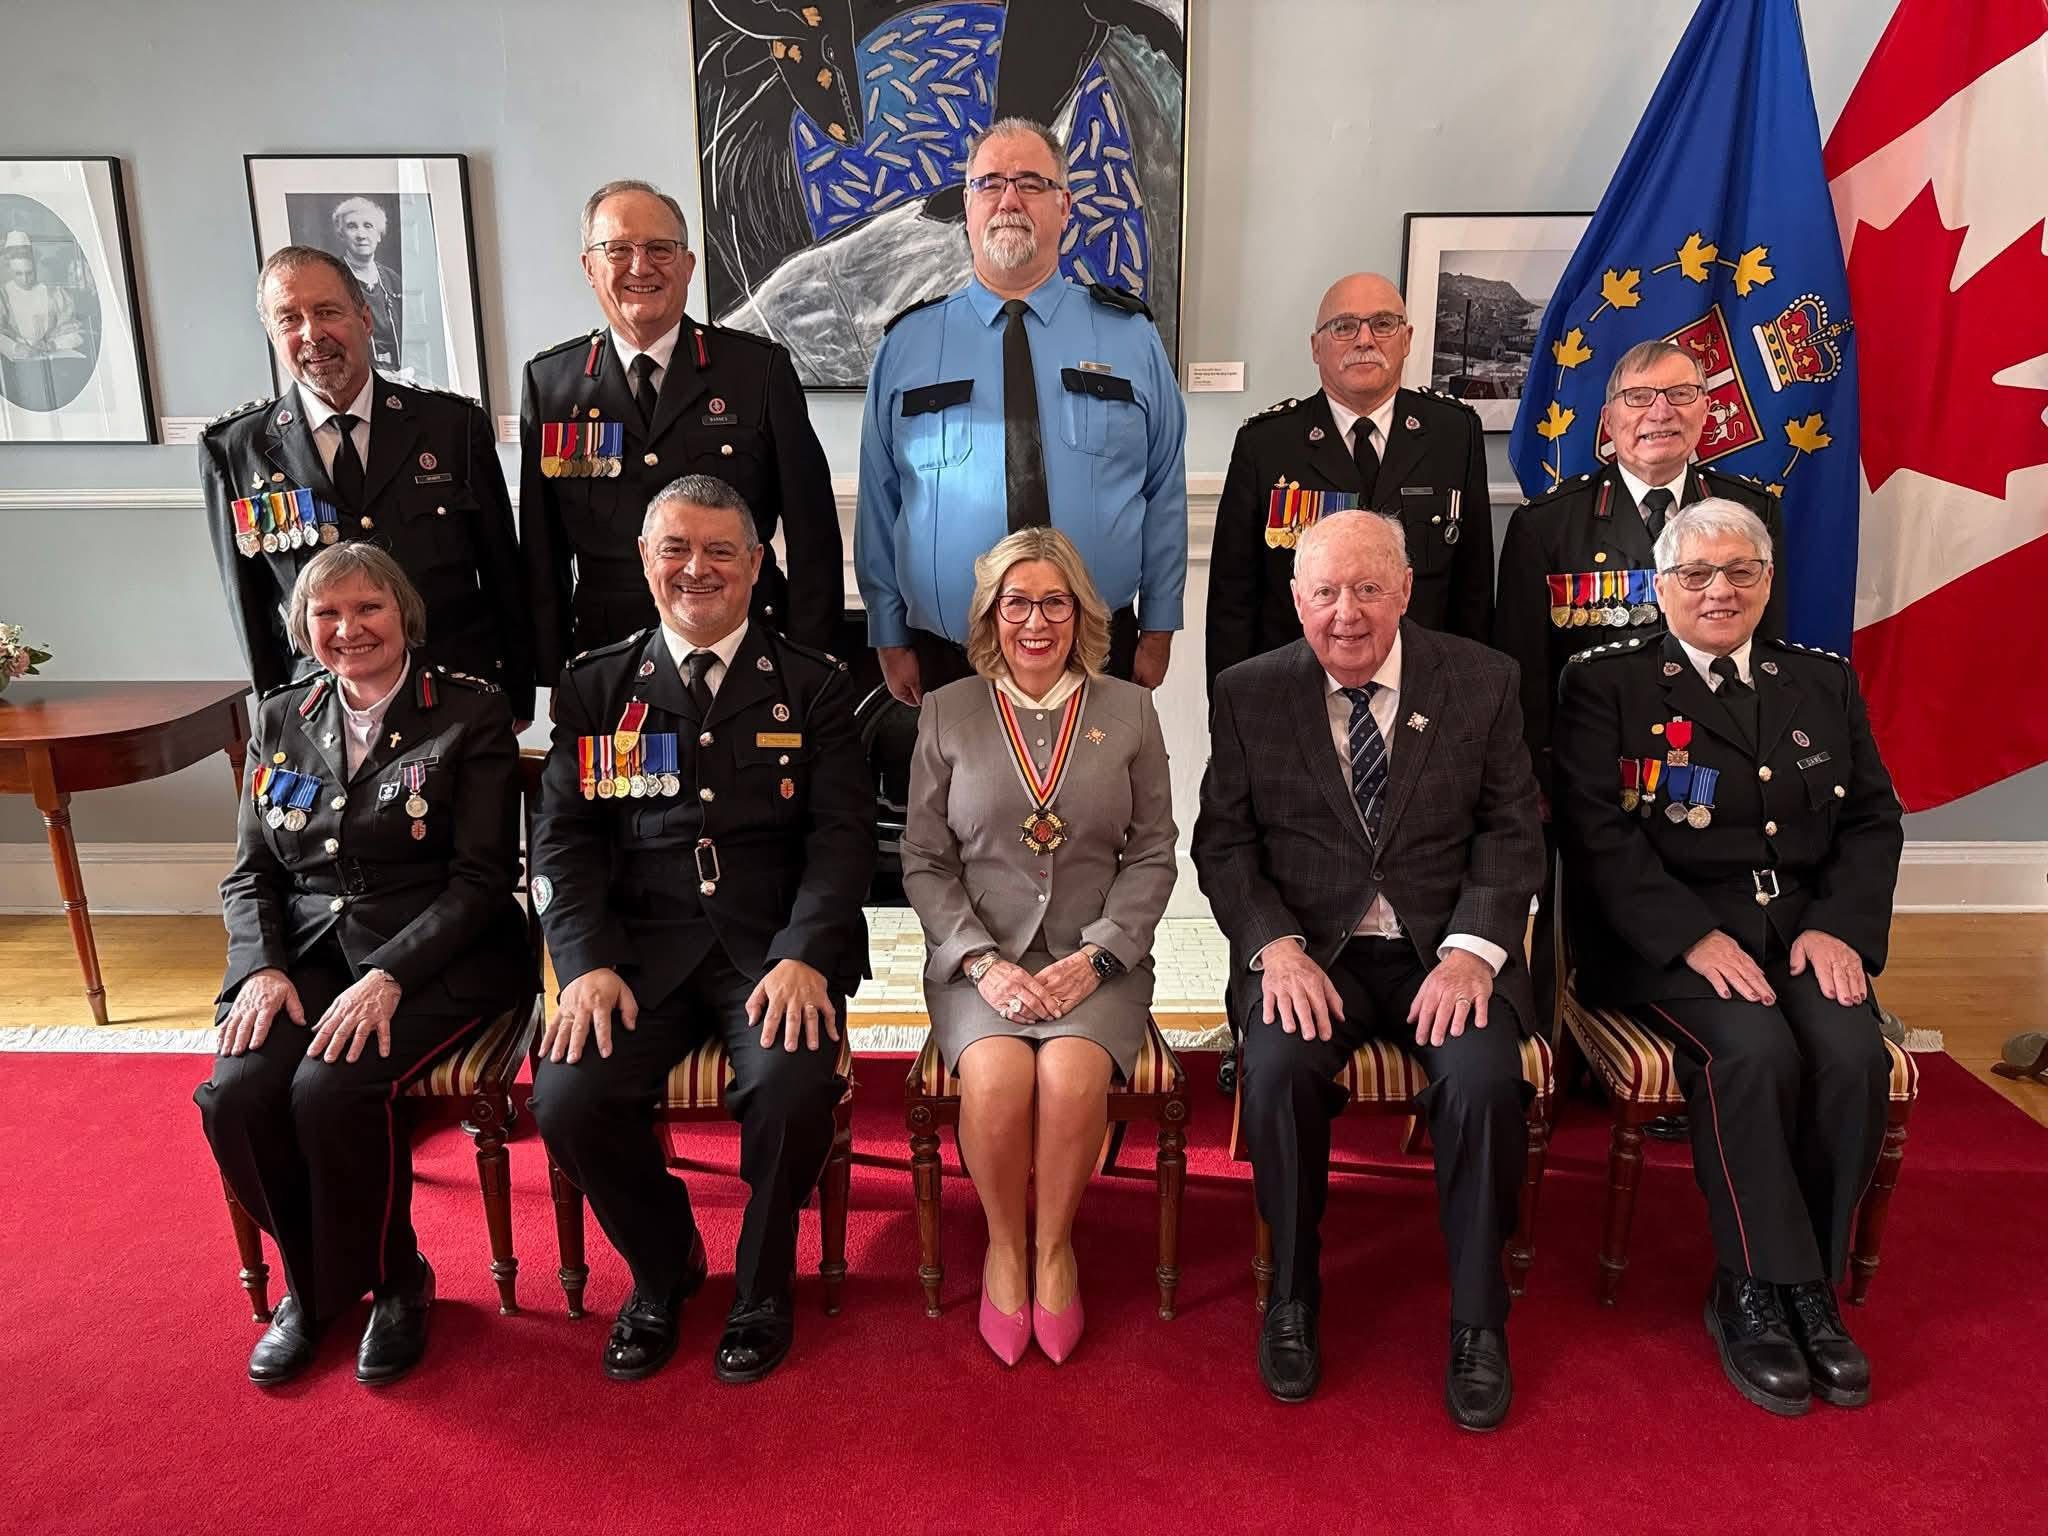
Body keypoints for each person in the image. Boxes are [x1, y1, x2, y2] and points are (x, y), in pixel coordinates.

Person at [1193, 509, 1542, 1429]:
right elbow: (1224, 846)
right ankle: (1293, 1297)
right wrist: (1274, 948)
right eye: (1324, 593)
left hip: (1444, 952)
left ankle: (1478, 1320)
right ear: (1296, 599)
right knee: (1274, 1069)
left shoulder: (1481, 680)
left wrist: (1473, 952)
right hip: (1314, 954)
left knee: (1484, 1086)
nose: (1345, 614)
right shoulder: (1248, 690)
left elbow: (1513, 833)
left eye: (1367, 589)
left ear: (1405, 590)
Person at [1553, 498, 1901, 1418]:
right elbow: (1596, 834)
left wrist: (1841, 929)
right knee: (1753, 1055)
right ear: (1660, 587)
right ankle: (1751, 1288)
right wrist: (1688, 936)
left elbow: (1870, 819)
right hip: (1667, 941)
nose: (1719, 591)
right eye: (1697, 575)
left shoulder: (1818, 682)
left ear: (1767, 582)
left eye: (1740, 572)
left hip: (1803, 931)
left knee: (1853, 1055)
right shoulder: (1608, 684)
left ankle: (1812, 1292)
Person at [528, 474, 872, 1385]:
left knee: (793, 1090)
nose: (697, 569)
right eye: (676, 548)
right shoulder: (597, 685)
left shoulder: (816, 685)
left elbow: (843, 845)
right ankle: (662, 1264)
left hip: (771, 951)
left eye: (721, 550)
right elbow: (561, 841)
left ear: (758, 564)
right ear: (645, 559)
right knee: (566, 1098)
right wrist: (586, 963)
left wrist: (806, 955)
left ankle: (762, 1287)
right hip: (637, 957)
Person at [195, 544, 529, 1387]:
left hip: (438, 956)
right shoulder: (278, 717)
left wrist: (387, 975)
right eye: (327, 613)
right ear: (304, 627)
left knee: (329, 1087)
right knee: (233, 1094)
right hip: (306, 954)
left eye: (368, 608)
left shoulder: (468, 712)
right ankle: (317, 1287)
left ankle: (394, 1282)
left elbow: (484, 880)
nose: (349, 629)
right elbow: (250, 872)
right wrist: (261, 969)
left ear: (403, 612)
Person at [900, 527, 1177, 1365]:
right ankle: (1003, 1246)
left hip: (1099, 963)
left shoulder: (1129, 707)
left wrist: (1099, 956)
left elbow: (1156, 849)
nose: (1035, 621)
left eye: (1055, 601)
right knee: (996, 1073)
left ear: (1081, 612)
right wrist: (981, 964)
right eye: (1015, 602)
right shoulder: (947, 711)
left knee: (1064, 1071)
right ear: (989, 615)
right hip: (976, 962)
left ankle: (1054, 1247)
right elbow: (923, 857)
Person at [1496, 337, 1787, 1126]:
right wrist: (1532, 780)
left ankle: (1706, 1061)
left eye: (1680, 396)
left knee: (1715, 906)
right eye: (1638, 398)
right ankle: (1559, 1056)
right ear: (1608, 420)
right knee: (1565, 917)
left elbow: (1767, 658)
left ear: (1707, 411)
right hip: (1588, 775)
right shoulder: (1549, 527)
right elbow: (1519, 672)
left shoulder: (1753, 512)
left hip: (1716, 771)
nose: (1658, 413)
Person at [856, 116, 1187, 705]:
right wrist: (887, 630)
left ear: (1064, 206)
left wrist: (1160, 621)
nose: (1009, 199)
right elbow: (881, 501)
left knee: (1098, 801)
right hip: (947, 650)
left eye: (1031, 183)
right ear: (967, 205)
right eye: (990, 184)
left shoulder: (1130, 336)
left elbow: (1164, 487)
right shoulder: (908, 345)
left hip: (1096, 642)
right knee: (959, 802)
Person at [520, 179, 840, 685]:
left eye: (659, 249)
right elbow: (542, 554)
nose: (640, 266)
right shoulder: (552, 385)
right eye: (618, 249)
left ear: (687, 265)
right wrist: (554, 674)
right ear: (589, 267)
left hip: (747, 648)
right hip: (611, 662)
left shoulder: (757, 371)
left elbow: (813, 532)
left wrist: (811, 662)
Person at [201, 246, 534, 723]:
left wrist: (516, 696)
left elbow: (502, 572)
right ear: (273, 335)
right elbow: (249, 603)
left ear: (365, 317)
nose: (312, 334)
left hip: (453, 695)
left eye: (327, 312)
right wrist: (277, 714)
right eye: (289, 320)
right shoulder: (236, 447)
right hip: (321, 708)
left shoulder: (451, 426)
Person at [1205, 271, 1494, 690]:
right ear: (1315, 346)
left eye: (1382, 324)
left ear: (1406, 338)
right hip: (1295, 692)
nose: (1364, 340)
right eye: (1343, 327)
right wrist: (1231, 723)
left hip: (1424, 692)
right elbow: (1232, 603)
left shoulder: (1454, 434)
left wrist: (1472, 704)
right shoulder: (1267, 444)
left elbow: (1474, 592)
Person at [330, 197, 402, 369]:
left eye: (368, 226)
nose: (361, 235)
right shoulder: (331, 279)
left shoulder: (392, 280)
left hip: (402, 374)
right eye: (352, 226)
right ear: (341, 235)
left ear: (378, 235)